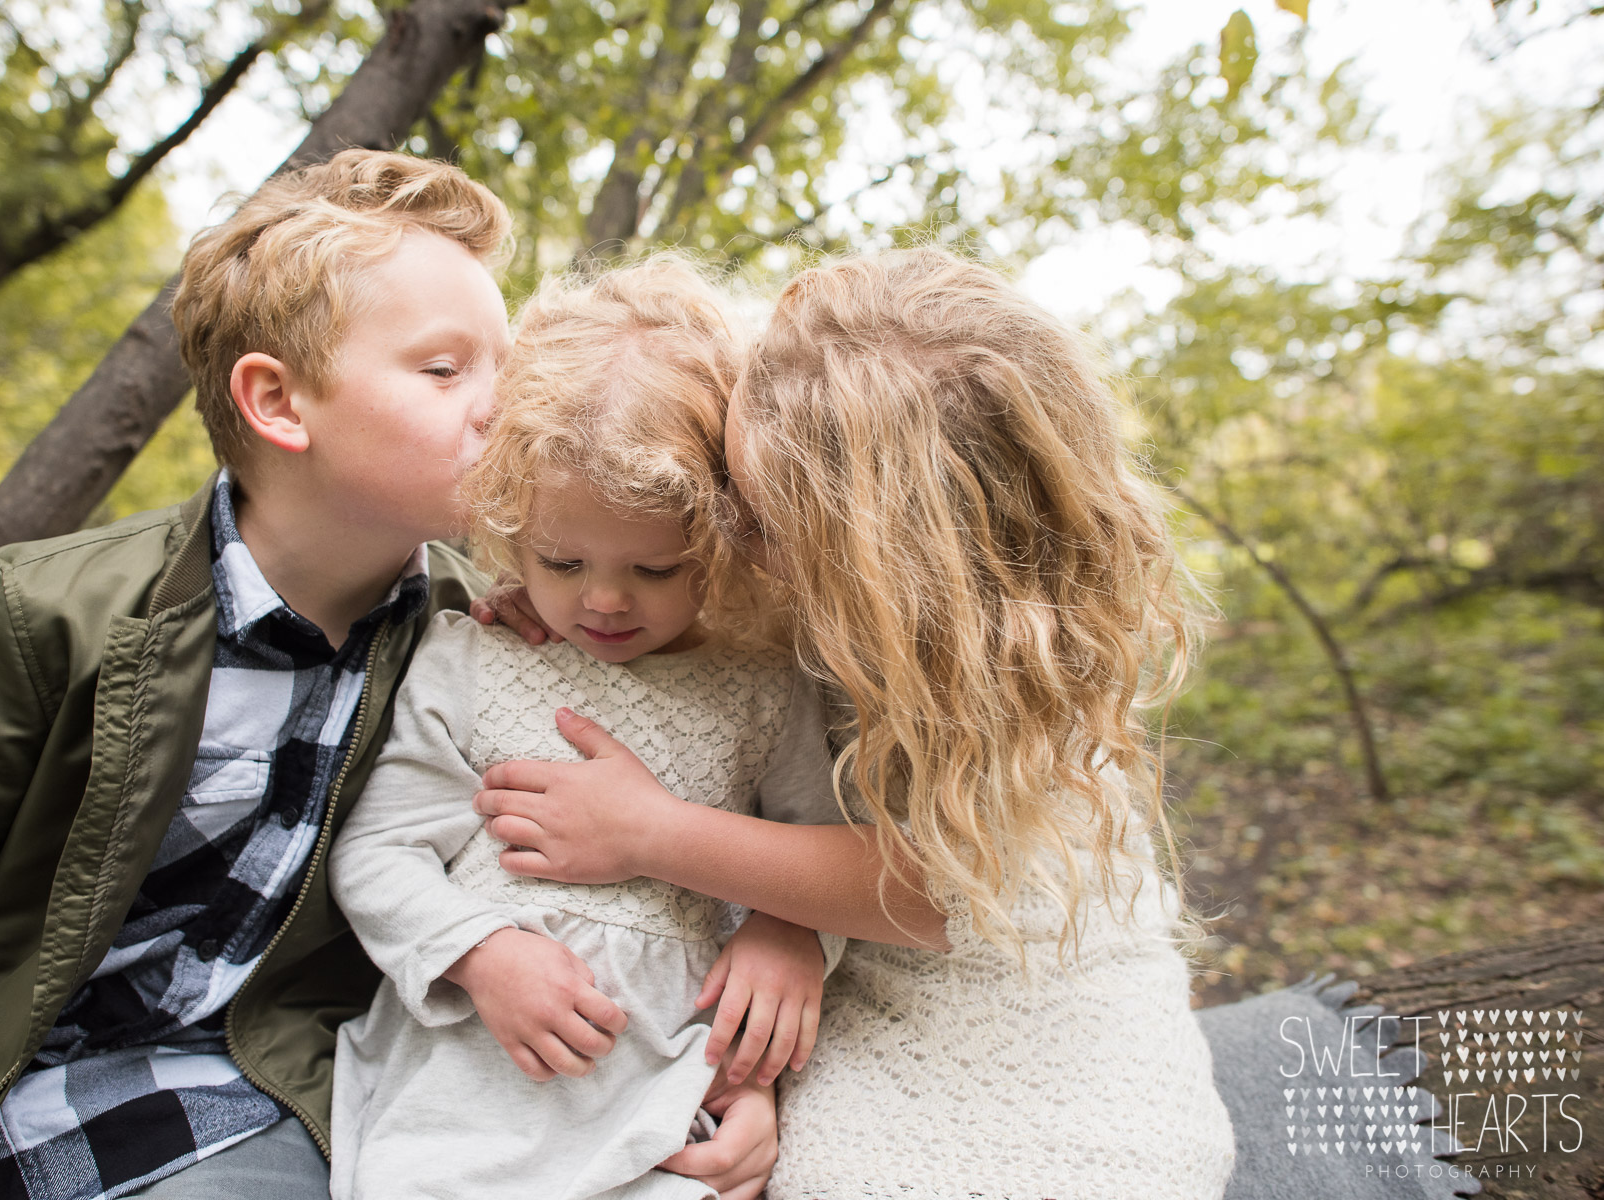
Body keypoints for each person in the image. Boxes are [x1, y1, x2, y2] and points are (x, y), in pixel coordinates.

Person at [0, 151, 777, 1200]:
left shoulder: (504, 633)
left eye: (510, 366)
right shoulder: (57, 617)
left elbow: (668, 845)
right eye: (446, 371)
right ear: (278, 402)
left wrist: (752, 1029)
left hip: (256, 1103)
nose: (508, 409)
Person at [472, 246, 1240, 1197]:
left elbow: (938, 889)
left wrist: (657, 836)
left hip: (1019, 1021)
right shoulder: (787, 462)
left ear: (883, 558)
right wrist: (542, 599)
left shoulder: (1000, 665)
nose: (731, 535)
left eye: (756, 518)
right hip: (837, 974)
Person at [327, 258, 844, 1200]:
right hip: (470, 1092)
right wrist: (482, 953)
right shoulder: (476, 659)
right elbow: (378, 855)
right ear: (510, 526)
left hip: (664, 1095)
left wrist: (786, 927)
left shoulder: (766, 686)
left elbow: (820, 848)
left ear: (729, 536)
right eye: (562, 559)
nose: (603, 600)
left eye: (655, 568)